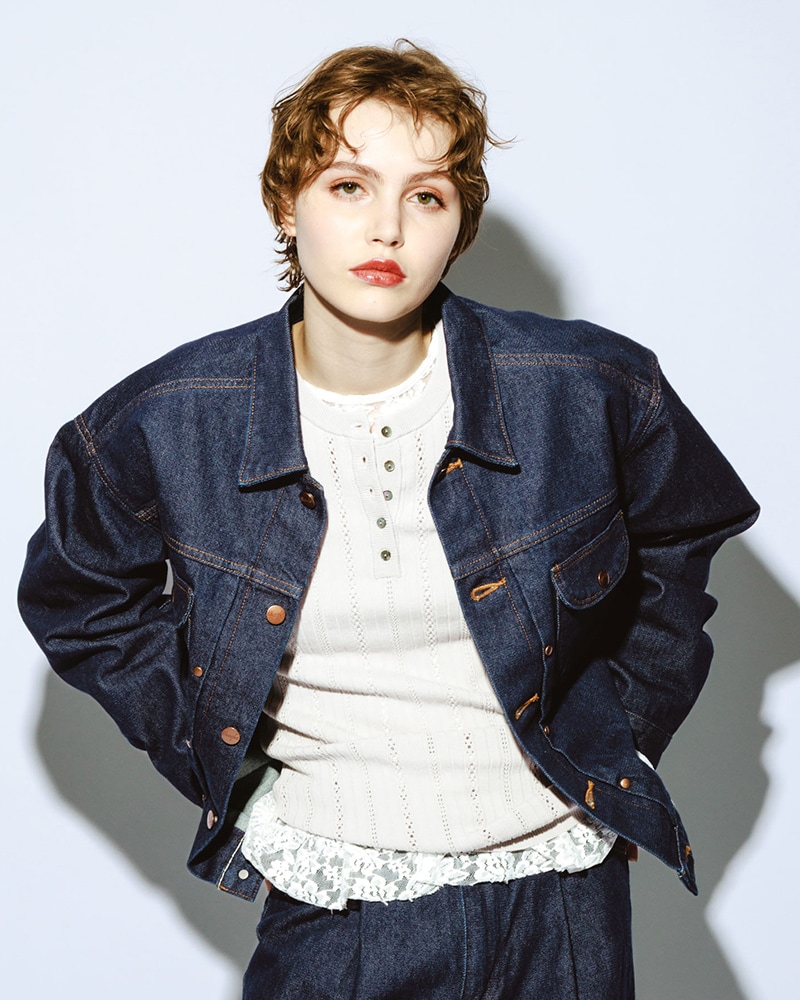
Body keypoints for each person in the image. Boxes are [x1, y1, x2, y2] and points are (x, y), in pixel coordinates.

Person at [19, 40, 758, 999]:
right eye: (348, 186)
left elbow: (683, 542)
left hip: (563, 897)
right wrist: (222, 753)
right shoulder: (170, 418)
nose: (388, 230)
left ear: (459, 225)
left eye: (427, 196)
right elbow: (79, 600)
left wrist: (626, 733)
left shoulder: (585, 387)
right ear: (286, 204)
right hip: (340, 906)